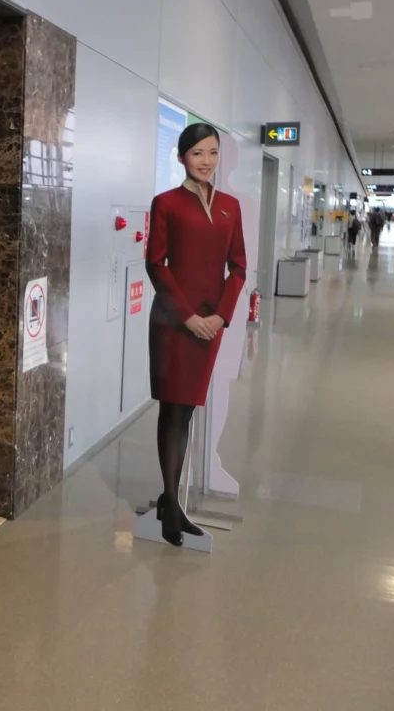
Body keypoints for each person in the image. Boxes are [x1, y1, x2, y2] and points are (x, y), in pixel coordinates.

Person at [146, 123, 246, 547]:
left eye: (213, 153)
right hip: (174, 322)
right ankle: (171, 503)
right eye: (197, 153)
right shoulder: (166, 202)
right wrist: (188, 317)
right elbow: (156, 263)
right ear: (181, 157)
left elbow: (239, 267)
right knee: (172, 409)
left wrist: (221, 317)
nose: (206, 161)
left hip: (211, 325)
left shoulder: (230, 206)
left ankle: (170, 500)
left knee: (186, 410)